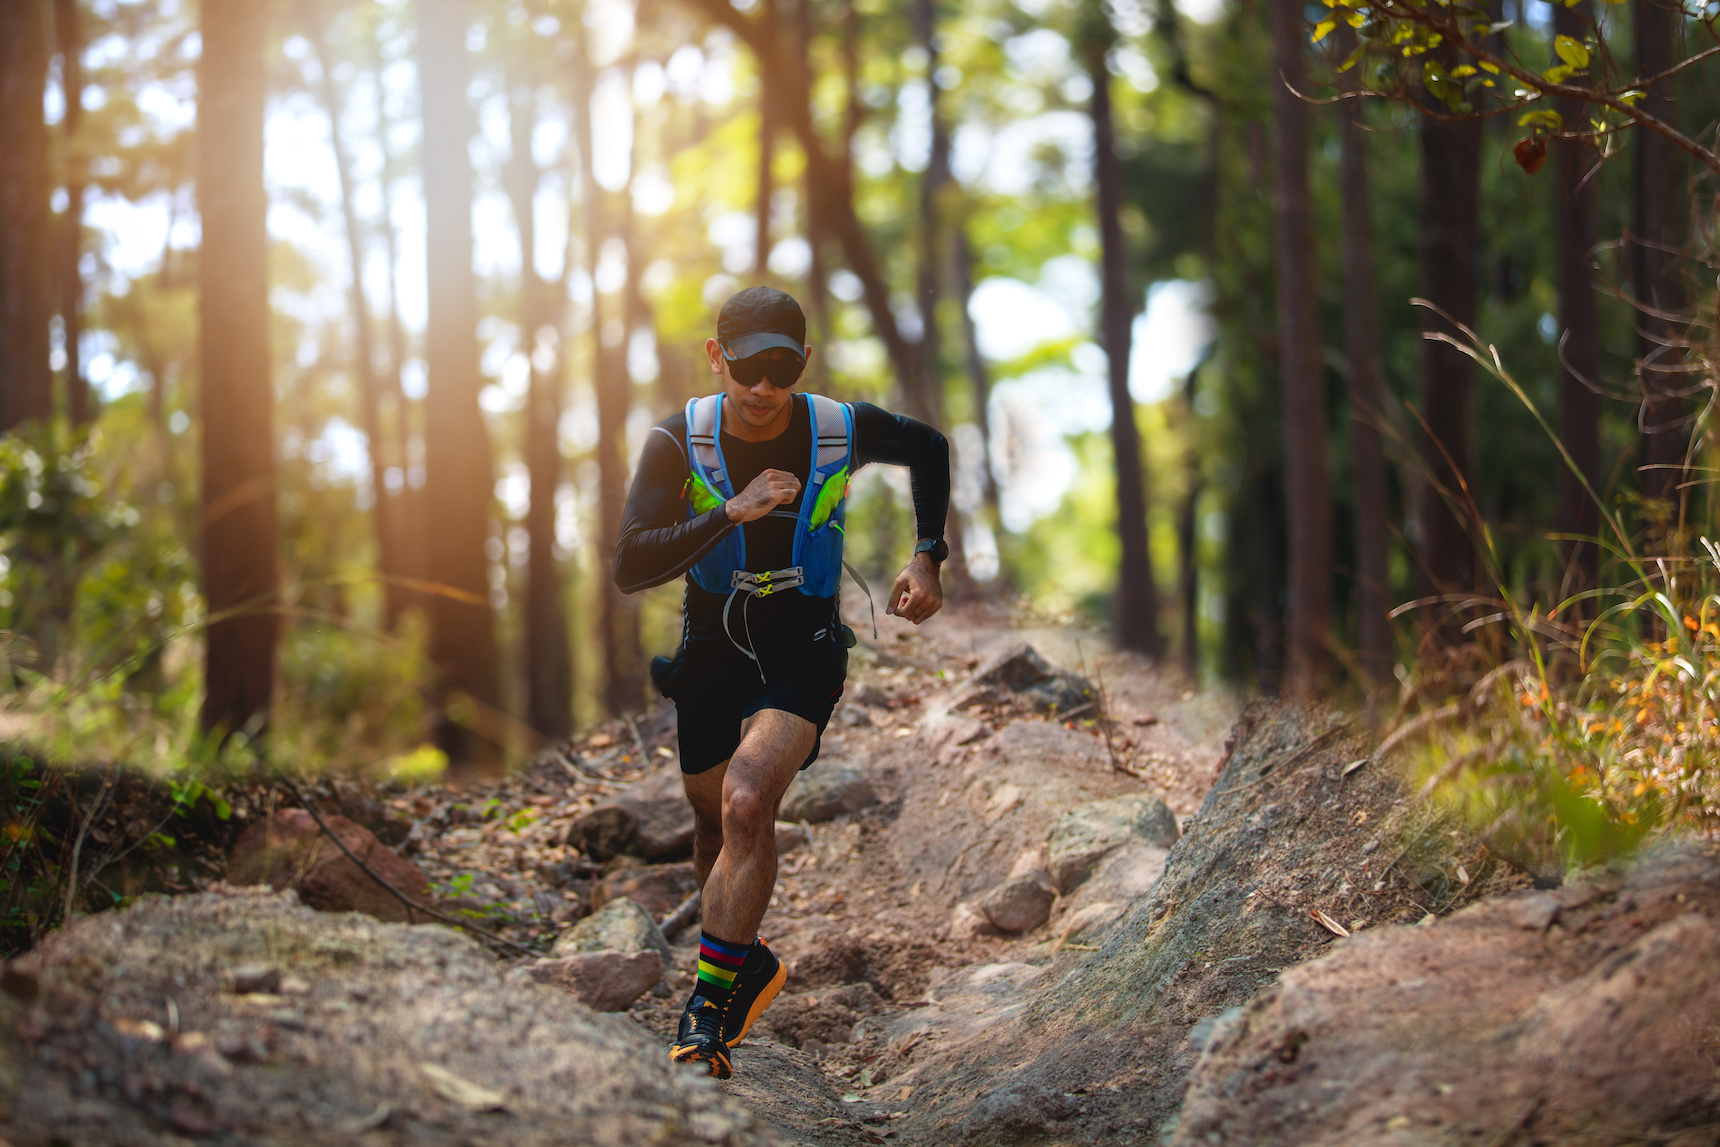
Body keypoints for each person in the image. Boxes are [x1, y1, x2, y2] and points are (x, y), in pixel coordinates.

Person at [613, 286, 950, 1079]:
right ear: (714, 357)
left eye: (779, 368)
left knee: (746, 798)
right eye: (744, 368)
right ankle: (745, 961)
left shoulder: (838, 426)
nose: (762, 389)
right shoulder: (676, 440)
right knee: (711, 828)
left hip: (804, 641)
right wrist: (731, 509)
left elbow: (929, 446)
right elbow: (630, 563)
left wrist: (928, 552)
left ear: (803, 361)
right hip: (710, 647)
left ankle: (705, 1020)